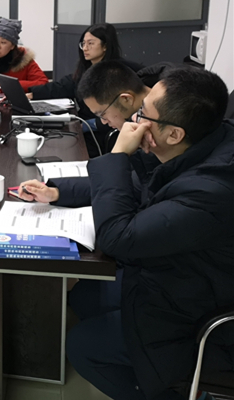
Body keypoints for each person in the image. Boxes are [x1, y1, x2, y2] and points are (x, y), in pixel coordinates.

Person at [17, 67, 234, 400]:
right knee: (85, 295)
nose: (135, 121)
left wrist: (118, 155)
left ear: (174, 133)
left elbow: (119, 238)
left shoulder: (211, 191)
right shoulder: (197, 144)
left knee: (82, 346)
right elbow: (133, 185)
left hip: (200, 312)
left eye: (144, 114)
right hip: (178, 276)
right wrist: (58, 192)